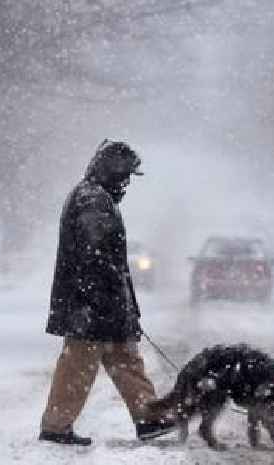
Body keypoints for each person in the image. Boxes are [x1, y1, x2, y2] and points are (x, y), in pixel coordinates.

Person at [39, 140, 174, 446]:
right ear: (111, 171)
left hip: (100, 302)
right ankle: (56, 426)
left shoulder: (95, 196)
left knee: (125, 358)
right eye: (124, 176)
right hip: (90, 304)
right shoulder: (92, 200)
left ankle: (149, 418)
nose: (126, 183)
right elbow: (95, 255)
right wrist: (103, 300)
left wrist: (121, 304)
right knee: (79, 365)